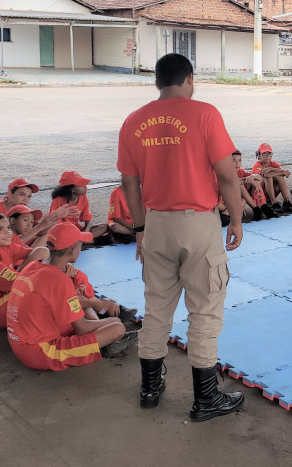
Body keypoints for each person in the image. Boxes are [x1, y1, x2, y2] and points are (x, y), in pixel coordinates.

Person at [117, 53, 245, 419]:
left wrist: (141, 228)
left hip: (155, 223)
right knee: (204, 311)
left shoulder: (132, 121)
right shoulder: (204, 113)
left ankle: (150, 389)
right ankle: (206, 399)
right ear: (189, 78)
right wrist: (235, 219)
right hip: (198, 224)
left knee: (156, 309)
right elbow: (226, 175)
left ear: (157, 81)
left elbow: (130, 182)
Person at [6, 223, 135, 371]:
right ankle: (106, 339)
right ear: (73, 251)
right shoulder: (60, 280)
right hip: (41, 352)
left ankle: (102, 330)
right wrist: (112, 319)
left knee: (80, 296)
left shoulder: (33, 266)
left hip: (21, 341)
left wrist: (95, 303)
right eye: (80, 246)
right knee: (117, 328)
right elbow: (82, 328)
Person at [0, 178, 68, 246]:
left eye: (29, 196)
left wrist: (53, 219)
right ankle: (27, 260)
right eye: (21, 195)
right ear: (10, 194)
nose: (26, 200)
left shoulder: (21, 208)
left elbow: (38, 231)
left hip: (14, 242)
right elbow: (5, 243)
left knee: (48, 236)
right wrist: (42, 225)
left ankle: (28, 257)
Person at [49, 171, 110, 240]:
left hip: (77, 230)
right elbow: (55, 225)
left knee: (105, 227)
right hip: (63, 231)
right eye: (82, 185)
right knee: (63, 236)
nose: (85, 187)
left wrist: (86, 233)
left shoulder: (83, 197)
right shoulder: (58, 200)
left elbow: (88, 220)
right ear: (72, 189)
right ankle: (86, 240)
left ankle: (81, 240)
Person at [252, 143, 292, 214]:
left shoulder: (274, 164)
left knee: (279, 176)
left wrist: (271, 169)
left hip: (272, 192)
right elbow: (266, 174)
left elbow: (286, 173)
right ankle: (274, 203)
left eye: (269, 153)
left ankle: (286, 201)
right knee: (268, 177)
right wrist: (275, 171)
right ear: (259, 155)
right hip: (261, 195)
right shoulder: (257, 165)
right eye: (264, 154)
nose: (267, 156)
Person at [232, 150, 273, 221]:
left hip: (240, 197)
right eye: (233, 160)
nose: (237, 163)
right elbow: (234, 182)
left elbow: (259, 177)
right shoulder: (226, 173)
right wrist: (247, 179)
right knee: (242, 184)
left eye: (239, 160)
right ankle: (256, 209)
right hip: (230, 198)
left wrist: (253, 176)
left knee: (255, 181)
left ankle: (264, 206)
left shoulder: (241, 171)